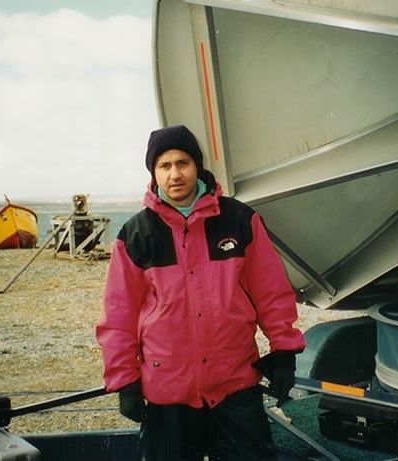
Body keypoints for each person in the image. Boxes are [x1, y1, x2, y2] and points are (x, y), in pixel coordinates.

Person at [96, 124, 306, 460]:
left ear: (198, 166)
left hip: (235, 387)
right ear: (153, 172)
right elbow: (118, 316)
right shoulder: (136, 235)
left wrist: (283, 353)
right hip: (169, 395)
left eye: (183, 163)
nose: (175, 174)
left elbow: (272, 293)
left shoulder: (239, 220)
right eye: (164, 166)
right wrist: (125, 381)